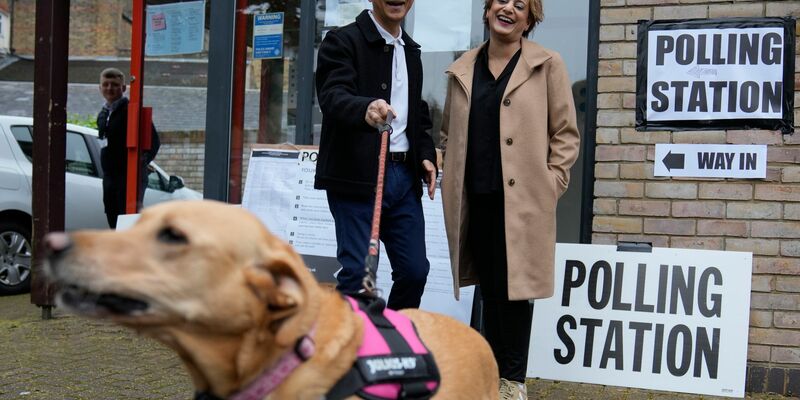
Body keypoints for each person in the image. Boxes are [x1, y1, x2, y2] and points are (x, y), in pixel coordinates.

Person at [439, 0, 580, 399]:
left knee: (515, 291)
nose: (509, 9)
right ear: (486, 10)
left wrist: (552, 182)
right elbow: (449, 132)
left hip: (523, 201)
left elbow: (566, 134)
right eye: (502, 1)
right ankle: (490, 374)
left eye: (521, 6)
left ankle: (512, 382)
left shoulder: (547, 64)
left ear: (530, 19)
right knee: (488, 286)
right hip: (477, 197)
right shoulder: (462, 68)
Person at [314, 0, 437, 310]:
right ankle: (355, 353)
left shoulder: (411, 50)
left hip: (403, 180)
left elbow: (416, 114)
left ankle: (388, 338)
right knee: (358, 276)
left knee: (414, 272)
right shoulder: (341, 41)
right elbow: (332, 94)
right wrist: (365, 108)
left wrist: (425, 155)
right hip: (355, 177)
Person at [97, 68, 160, 229]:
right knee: (113, 221)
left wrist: (139, 163)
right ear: (100, 88)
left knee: (128, 222)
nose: (109, 88)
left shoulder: (131, 111)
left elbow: (154, 142)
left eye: (115, 85)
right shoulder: (103, 114)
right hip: (110, 177)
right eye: (105, 84)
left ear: (124, 88)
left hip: (128, 177)